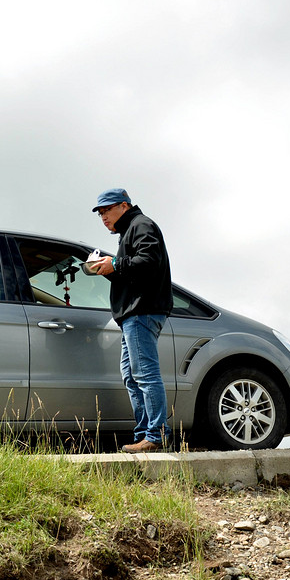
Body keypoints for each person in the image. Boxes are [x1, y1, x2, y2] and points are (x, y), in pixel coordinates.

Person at [89, 188, 173, 453]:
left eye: (106, 210)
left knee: (144, 375)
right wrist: (108, 268)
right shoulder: (129, 231)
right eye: (100, 213)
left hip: (142, 312)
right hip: (133, 314)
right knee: (131, 375)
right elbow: (136, 271)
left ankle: (156, 436)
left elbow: (149, 261)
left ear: (124, 206)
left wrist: (116, 264)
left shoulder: (141, 225)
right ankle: (144, 435)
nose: (103, 217)